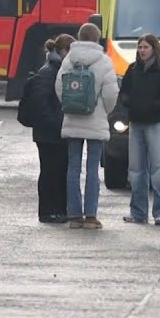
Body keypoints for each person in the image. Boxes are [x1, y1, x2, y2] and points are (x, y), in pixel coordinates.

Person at [54, 23, 119, 230]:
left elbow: (59, 87)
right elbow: (110, 95)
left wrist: (69, 105)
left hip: (72, 119)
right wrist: (104, 112)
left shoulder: (68, 60)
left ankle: (74, 215)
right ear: (97, 39)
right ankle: (90, 216)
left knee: (73, 168)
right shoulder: (105, 62)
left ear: (79, 37)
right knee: (92, 168)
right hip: (96, 121)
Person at [119, 33, 160, 226]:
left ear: (154, 48)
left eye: (145, 47)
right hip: (136, 123)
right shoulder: (133, 69)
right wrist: (132, 104)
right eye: (140, 47)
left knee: (158, 169)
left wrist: (151, 106)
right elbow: (124, 93)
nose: (142, 51)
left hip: (156, 123)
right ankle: (138, 213)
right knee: (136, 170)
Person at [19, 35, 73, 224]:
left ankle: (56, 210)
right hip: (49, 134)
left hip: (51, 132)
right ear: (64, 51)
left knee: (55, 172)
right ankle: (49, 212)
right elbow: (40, 102)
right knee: (51, 173)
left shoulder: (53, 68)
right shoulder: (50, 71)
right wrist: (56, 124)